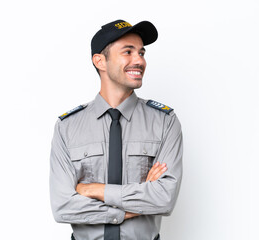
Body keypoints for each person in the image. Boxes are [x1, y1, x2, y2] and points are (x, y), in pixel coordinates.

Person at [49, 19, 183, 240]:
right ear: (100, 61)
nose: (139, 60)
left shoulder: (165, 122)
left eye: (141, 52)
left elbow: (164, 199)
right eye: (128, 52)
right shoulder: (67, 127)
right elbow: (63, 207)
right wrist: (131, 208)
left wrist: (94, 189)